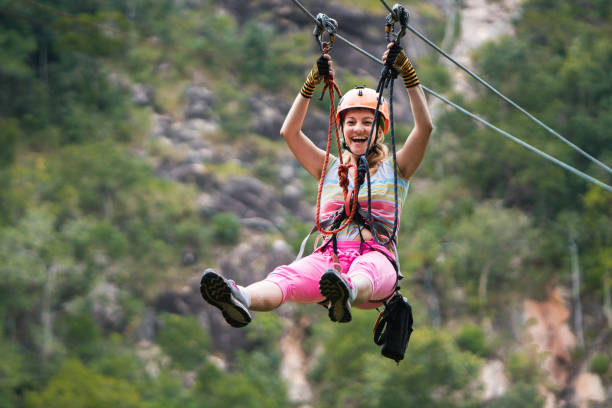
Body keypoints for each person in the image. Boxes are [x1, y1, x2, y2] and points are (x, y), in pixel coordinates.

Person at [200, 42, 433, 328]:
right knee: (286, 277)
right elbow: (290, 132)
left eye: (367, 122)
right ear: (343, 130)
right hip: (329, 260)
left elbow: (425, 129)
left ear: (380, 130)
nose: (358, 128)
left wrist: (409, 75)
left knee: (365, 268)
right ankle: (240, 297)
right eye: (351, 122)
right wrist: (311, 81)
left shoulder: (397, 169)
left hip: (376, 260)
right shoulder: (330, 168)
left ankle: (345, 292)